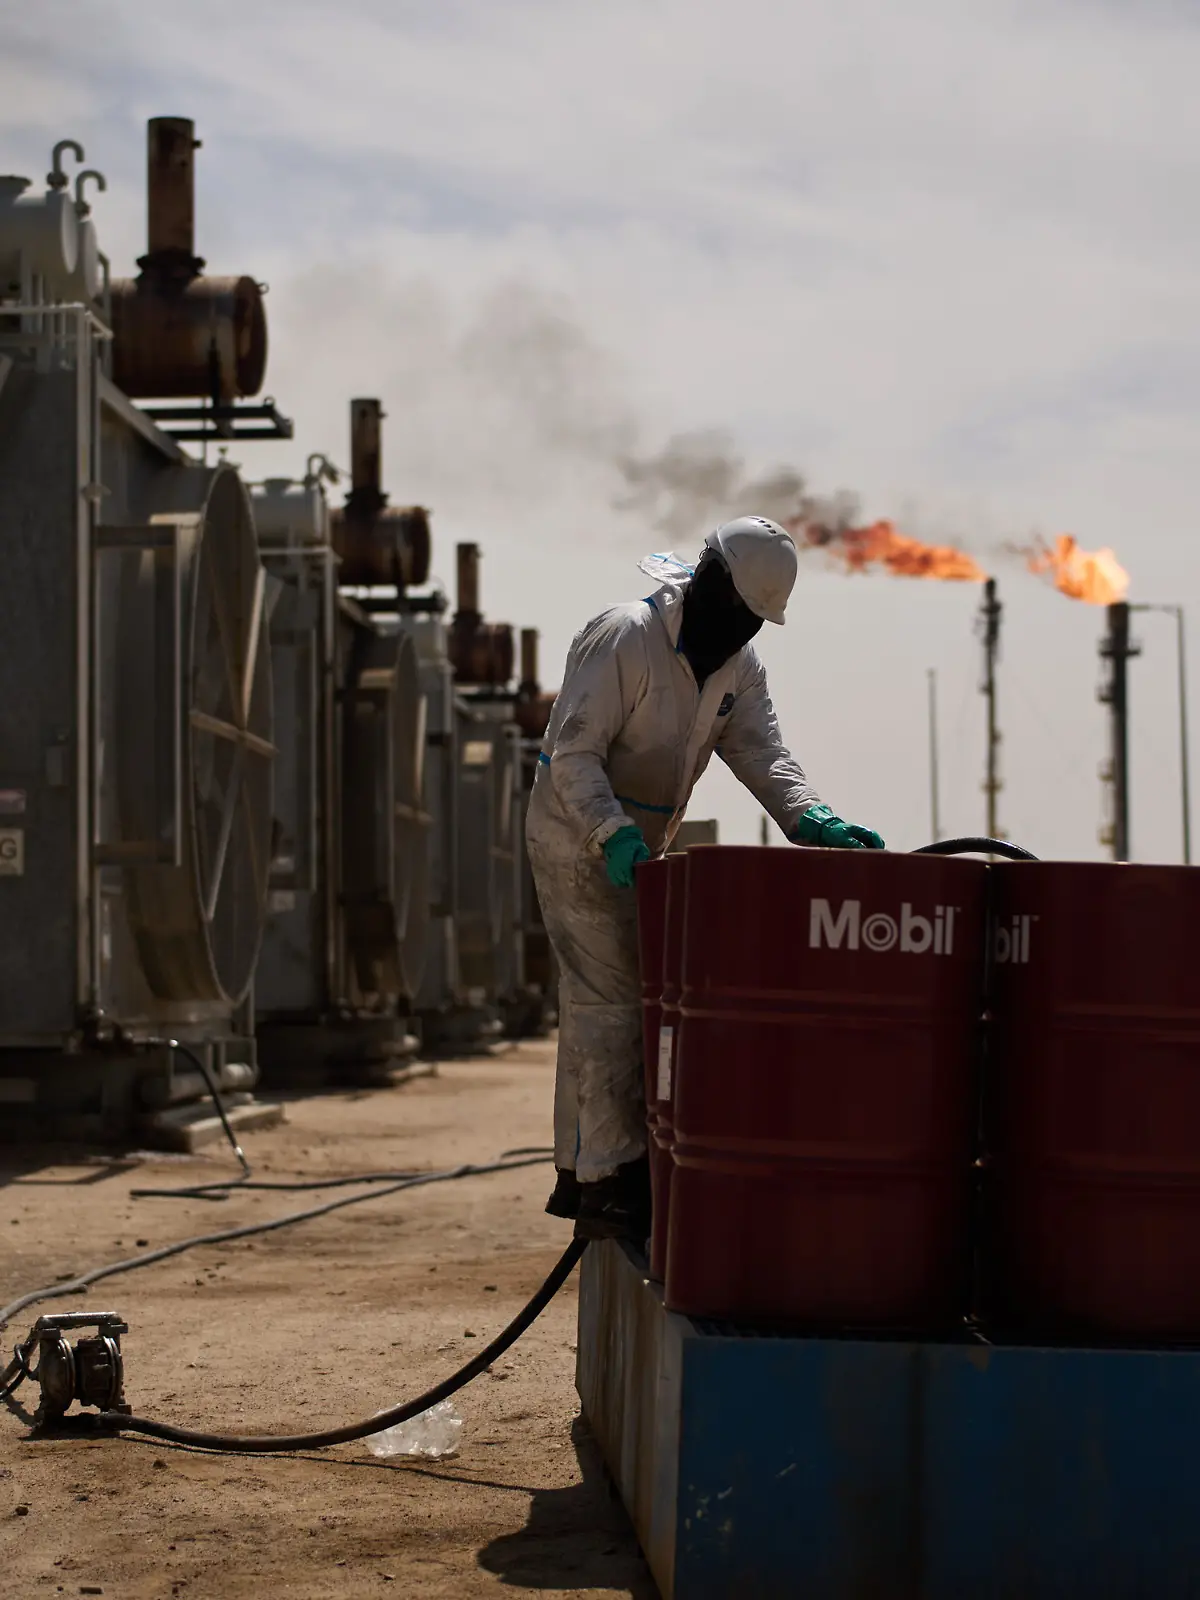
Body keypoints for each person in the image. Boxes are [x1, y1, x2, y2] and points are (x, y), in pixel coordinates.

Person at [525, 517, 884, 1242]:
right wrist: (608, 832)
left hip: (641, 842)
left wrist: (814, 817)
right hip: (574, 831)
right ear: (711, 584)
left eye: (755, 622)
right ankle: (608, 1181)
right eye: (739, 614)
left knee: (617, 997)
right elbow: (573, 754)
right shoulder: (626, 637)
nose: (742, 631)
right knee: (611, 999)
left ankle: (583, 1165)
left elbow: (762, 752)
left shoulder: (737, 666)